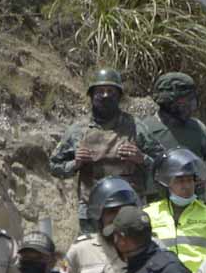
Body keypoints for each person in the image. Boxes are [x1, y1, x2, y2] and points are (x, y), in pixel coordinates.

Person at [50, 66, 153, 231]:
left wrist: (142, 158)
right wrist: (75, 163)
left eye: (111, 91)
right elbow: (54, 167)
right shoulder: (78, 130)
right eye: (100, 91)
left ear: (119, 96)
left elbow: (163, 165)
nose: (105, 95)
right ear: (91, 95)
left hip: (129, 209)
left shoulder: (136, 127)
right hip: (92, 211)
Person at [133, 73, 206, 202]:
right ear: (168, 102)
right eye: (185, 101)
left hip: (193, 206)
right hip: (157, 207)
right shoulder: (144, 129)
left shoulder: (198, 128)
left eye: (192, 100)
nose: (191, 106)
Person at [144, 149, 206, 273]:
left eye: (189, 180)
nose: (187, 186)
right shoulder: (148, 214)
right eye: (179, 181)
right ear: (166, 183)